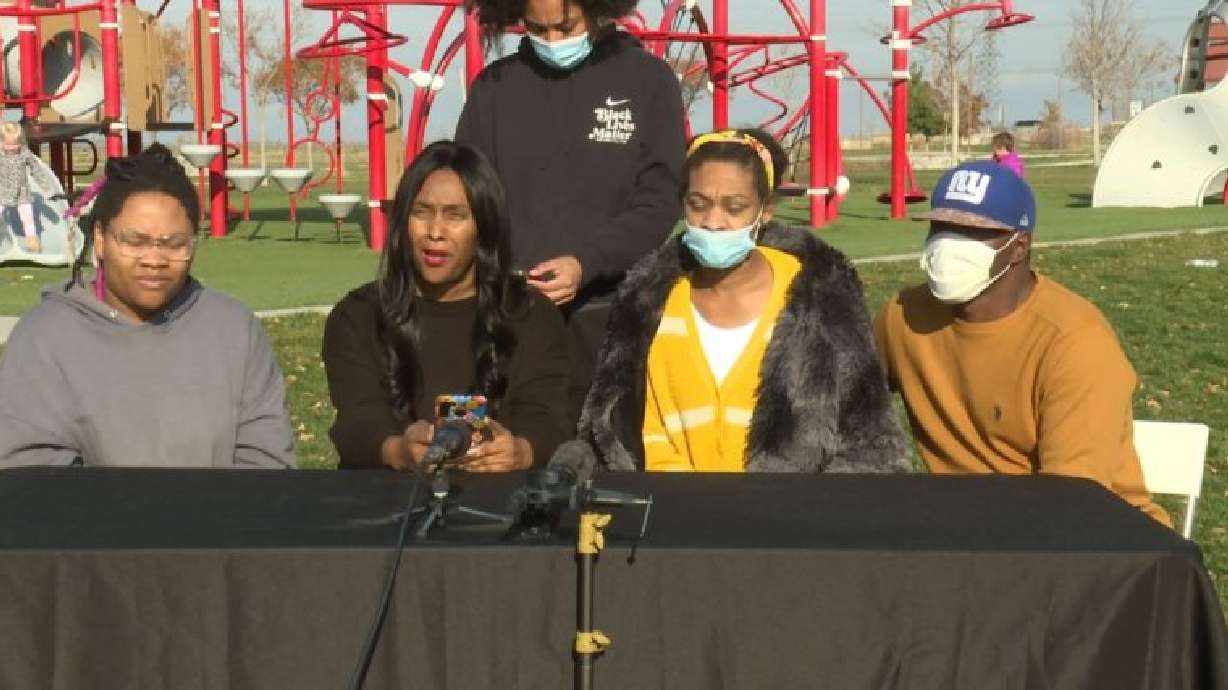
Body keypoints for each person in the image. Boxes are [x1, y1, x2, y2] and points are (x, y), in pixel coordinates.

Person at [579, 129, 910, 473]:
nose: (713, 222)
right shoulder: (645, 304)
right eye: (698, 205)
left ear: (765, 210)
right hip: (671, 511)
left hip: (787, 517)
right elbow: (612, 429)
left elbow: (868, 441)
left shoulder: (822, 298)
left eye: (734, 207)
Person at [874, 161, 1169, 525]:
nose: (948, 246)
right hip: (964, 532)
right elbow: (843, 401)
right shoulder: (902, 316)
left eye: (973, 232)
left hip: (1102, 538)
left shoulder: (1075, 342)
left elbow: (1071, 503)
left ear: (1019, 246)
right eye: (941, 228)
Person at [455, 0, 686, 421]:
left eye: (565, 27)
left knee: (604, 460)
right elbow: (469, 196)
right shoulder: (495, 86)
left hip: (611, 319)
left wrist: (587, 263)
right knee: (503, 457)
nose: (553, 41)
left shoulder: (649, 81)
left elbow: (660, 201)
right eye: (536, 30)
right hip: (510, 320)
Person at [0, 143, 294, 468]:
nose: (154, 260)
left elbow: (267, 463)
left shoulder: (235, 330)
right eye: (135, 241)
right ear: (99, 238)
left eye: (175, 244)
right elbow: (33, 474)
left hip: (219, 518)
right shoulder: (44, 337)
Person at [322, 140, 572, 472]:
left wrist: (520, 453)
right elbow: (356, 422)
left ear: (483, 227)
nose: (435, 232)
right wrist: (397, 451)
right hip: (386, 504)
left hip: (502, 505)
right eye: (421, 212)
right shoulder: (357, 316)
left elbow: (549, 418)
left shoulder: (530, 315)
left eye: (455, 216)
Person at [0, 122, 60, 253]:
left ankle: (33, 244)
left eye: (15, 145)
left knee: (27, 218)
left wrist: (47, 189)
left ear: (21, 142)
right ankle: (2, 238)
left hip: (22, 193)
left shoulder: (25, 154)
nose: (11, 148)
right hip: (2, 191)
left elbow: (37, 171)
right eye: (7, 145)